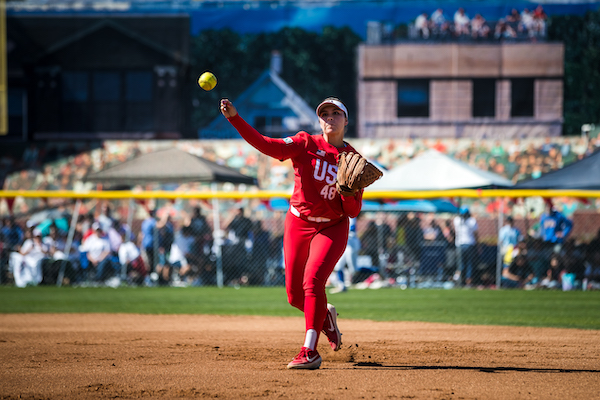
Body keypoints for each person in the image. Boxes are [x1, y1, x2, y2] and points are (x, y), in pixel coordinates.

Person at [221, 96, 361, 370]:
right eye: (325, 114)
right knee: (295, 296)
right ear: (319, 121)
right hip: (299, 221)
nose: (329, 118)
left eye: (336, 113)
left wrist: (347, 192)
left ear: (346, 120)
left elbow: (353, 211)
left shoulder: (353, 159)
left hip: (332, 226)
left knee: (313, 282)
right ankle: (325, 319)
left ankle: (310, 351)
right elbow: (266, 144)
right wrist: (234, 118)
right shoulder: (305, 143)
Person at [329, 215, 361, 294]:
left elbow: (351, 228)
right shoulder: (338, 214)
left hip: (351, 243)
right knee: (338, 265)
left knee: (354, 269)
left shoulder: (350, 215)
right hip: (343, 243)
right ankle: (341, 286)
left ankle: (375, 272)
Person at [453, 206, 478, 286]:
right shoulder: (471, 221)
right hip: (469, 244)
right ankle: (466, 281)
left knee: (462, 263)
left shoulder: (457, 220)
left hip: (461, 244)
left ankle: (460, 280)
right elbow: (476, 234)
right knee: (468, 263)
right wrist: (478, 245)